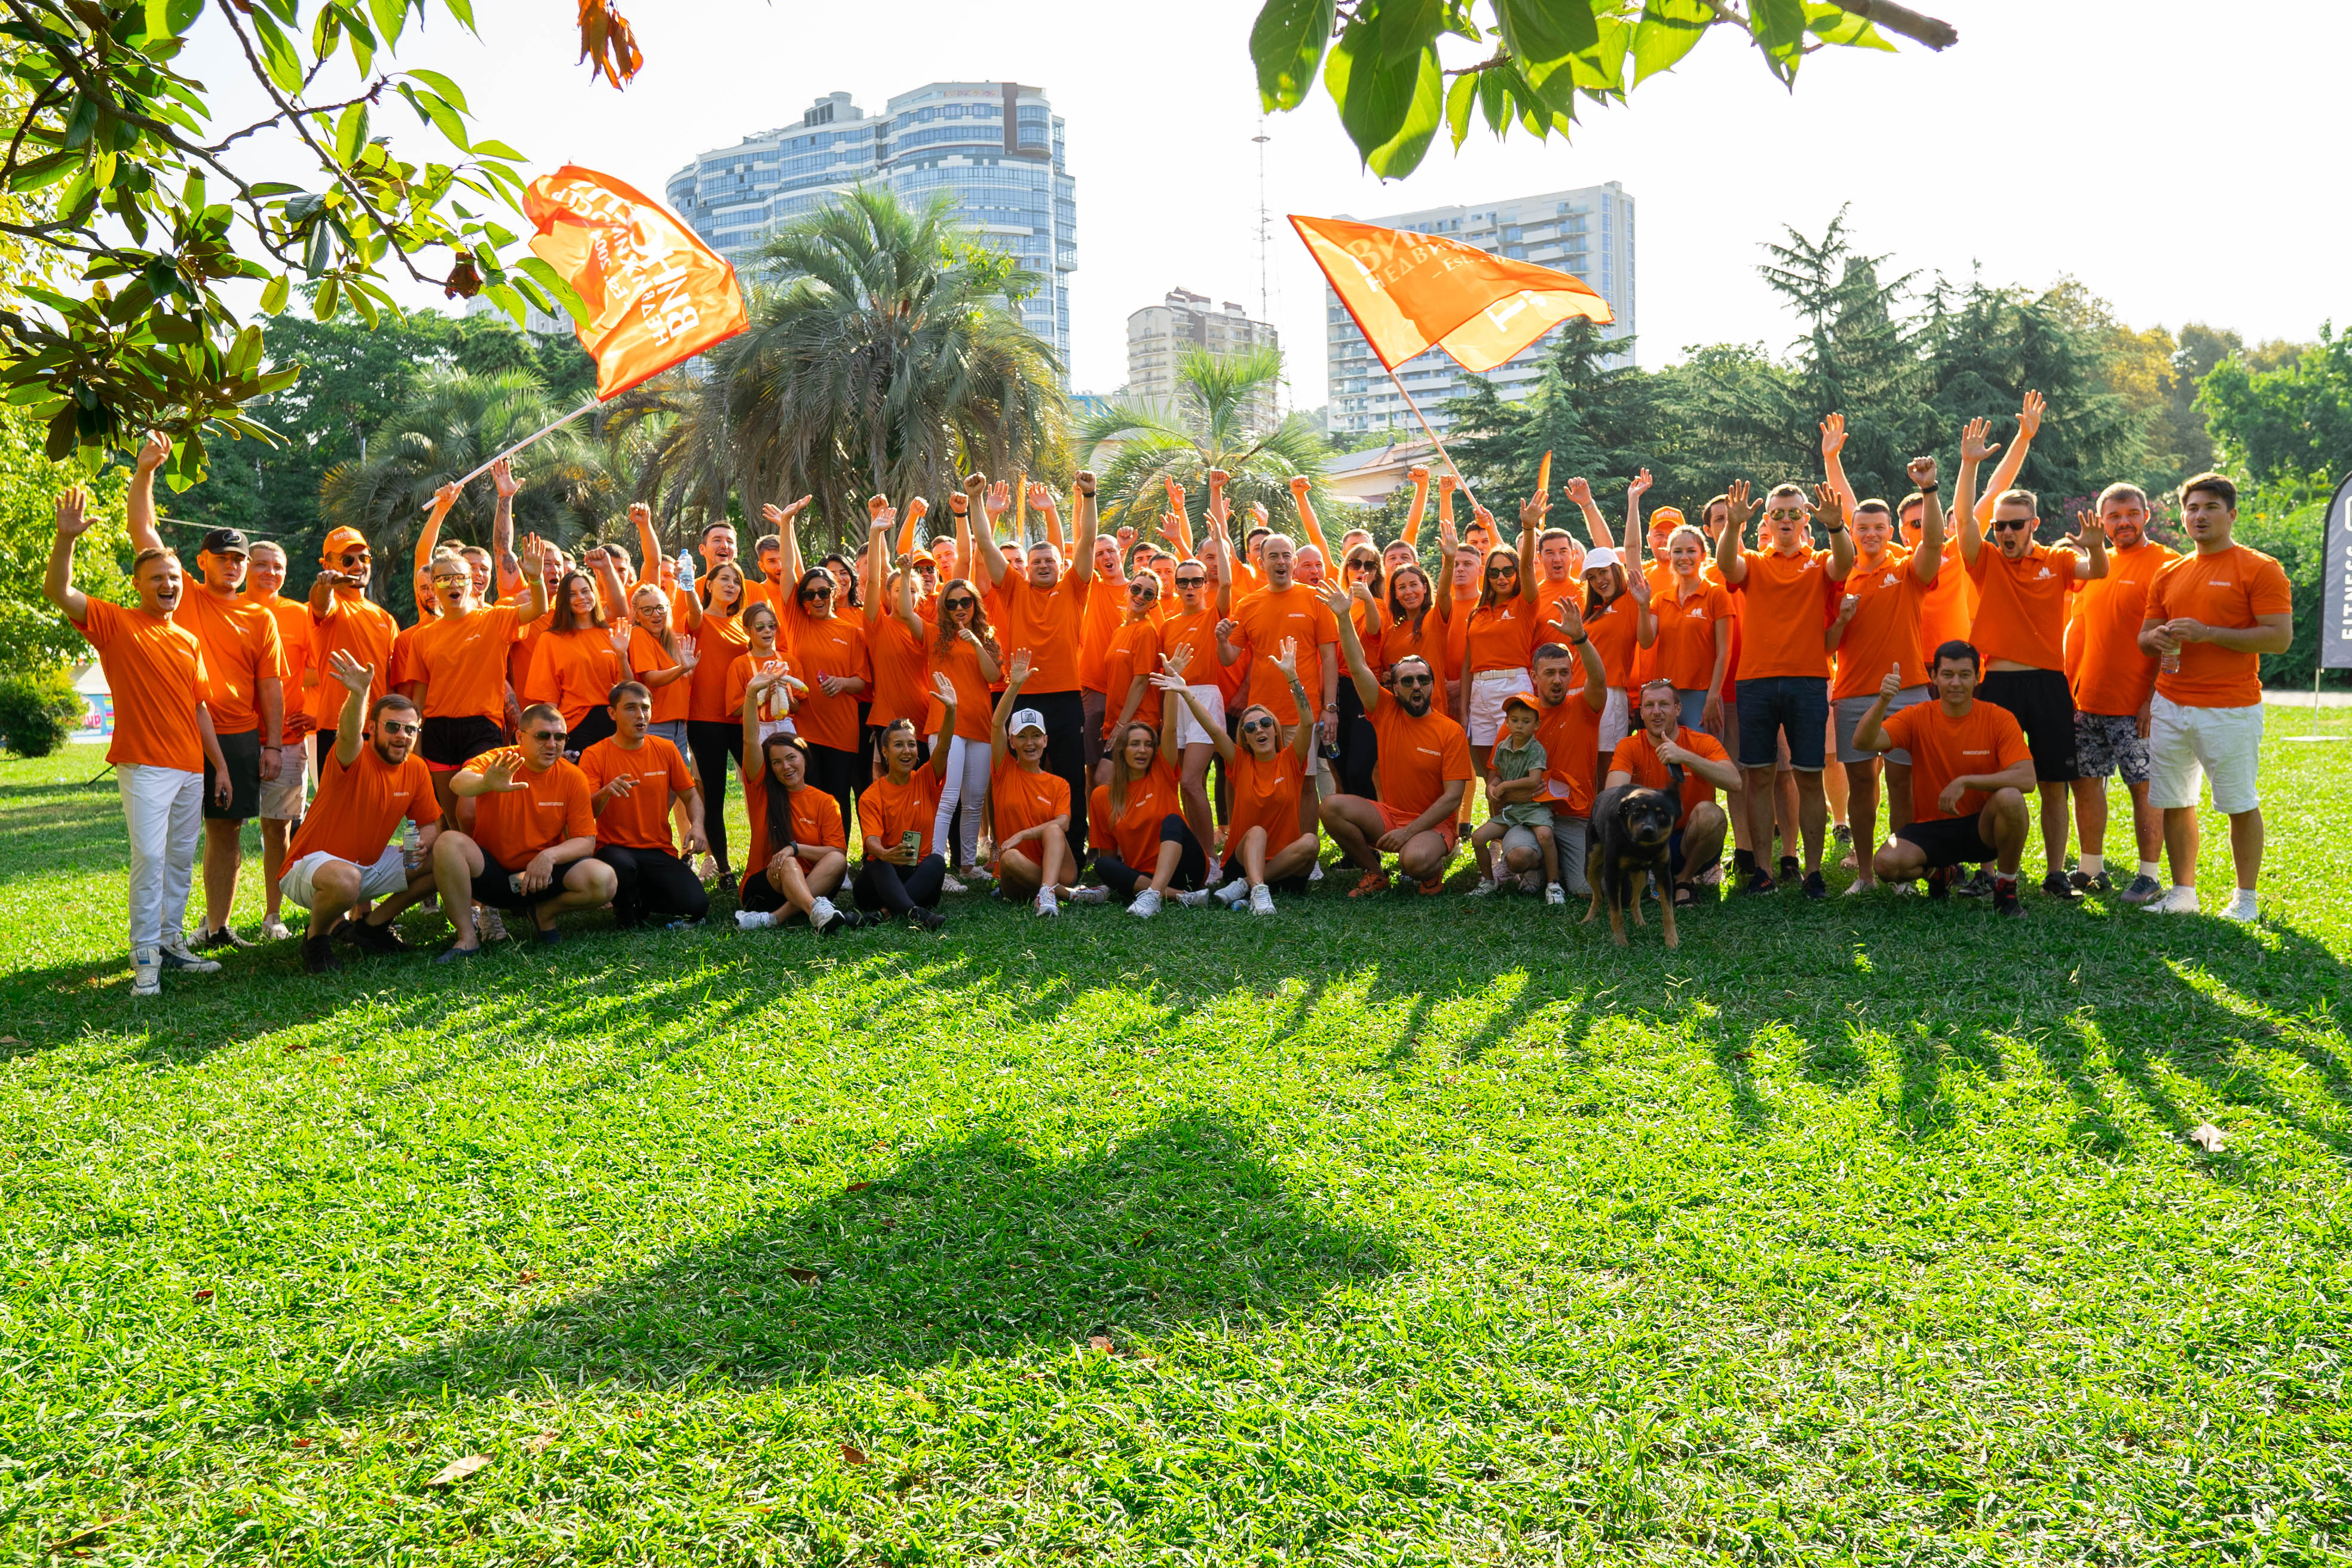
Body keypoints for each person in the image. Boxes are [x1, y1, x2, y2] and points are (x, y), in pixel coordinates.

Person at [45, 488, 230, 995]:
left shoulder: (189, 640)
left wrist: (219, 766)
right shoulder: (115, 622)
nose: (168, 585)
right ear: (138, 584)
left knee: (178, 861)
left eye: (174, 578)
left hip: (191, 768)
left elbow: (200, 707)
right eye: (157, 578)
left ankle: (172, 943)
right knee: (149, 858)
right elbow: (59, 591)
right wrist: (66, 540)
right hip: (144, 766)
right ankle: (145, 955)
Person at [125, 433, 287, 951]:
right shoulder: (182, 593)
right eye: (222, 557)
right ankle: (161, 935)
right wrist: (146, 472)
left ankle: (216, 928)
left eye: (239, 558)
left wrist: (273, 745)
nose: (233, 565)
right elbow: (144, 533)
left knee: (226, 832)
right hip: (176, 731)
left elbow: (270, 686)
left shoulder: (260, 617)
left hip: (237, 736)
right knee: (163, 839)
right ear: (202, 561)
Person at [1956, 414, 2106, 900]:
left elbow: (2096, 571)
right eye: (1999, 525)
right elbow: (1963, 520)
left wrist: (2096, 547)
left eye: (2015, 525)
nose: (2005, 532)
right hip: (1998, 683)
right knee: (1989, 780)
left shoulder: (2056, 560)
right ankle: (1986, 872)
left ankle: (2055, 873)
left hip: (2048, 684)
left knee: (2053, 782)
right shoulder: (1986, 561)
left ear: (2034, 525)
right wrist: (1969, 466)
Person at [2136, 471, 2293, 921]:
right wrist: (2158, 638)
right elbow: (2144, 639)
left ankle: (2246, 900)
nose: (2199, 516)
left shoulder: (2260, 568)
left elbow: (2279, 638)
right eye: (2192, 508)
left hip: (2231, 707)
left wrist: (2208, 633)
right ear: (2183, 516)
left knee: (2238, 803)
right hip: (2170, 704)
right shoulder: (2170, 572)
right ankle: (2183, 894)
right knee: (2174, 800)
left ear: (2232, 514)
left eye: (2210, 507)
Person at [1714, 477, 1855, 898]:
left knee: (1809, 777)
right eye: (1778, 513)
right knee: (1759, 777)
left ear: (1805, 519)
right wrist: (1733, 525)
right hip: (1755, 682)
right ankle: (1763, 872)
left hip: (1808, 680)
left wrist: (1836, 525)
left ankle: (1813, 873)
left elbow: (1844, 564)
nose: (1787, 519)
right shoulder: (1754, 563)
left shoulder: (1819, 561)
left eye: (1795, 513)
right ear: (1768, 520)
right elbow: (1727, 566)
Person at [1823, 454, 1945, 894]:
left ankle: (1902, 873)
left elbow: (1934, 544)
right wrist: (1842, 618)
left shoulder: (1905, 569)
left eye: (1878, 528)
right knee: (1861, 786)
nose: (1870, 535)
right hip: (1853, 695)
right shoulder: (1839, 576)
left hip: (1908, 692)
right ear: (1852, 532)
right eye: (1862, 528)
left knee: (1902, 784)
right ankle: (1865, 875)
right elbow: (1826, 647)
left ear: (1890, 532)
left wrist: (1929, 490)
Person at [278, 651, 442, 972]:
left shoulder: (416, 768)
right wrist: (359, 694)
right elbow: (348, 734)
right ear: (373, 728)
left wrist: (424, 841)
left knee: (448, 859)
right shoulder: (353, 757)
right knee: (347, 880)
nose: (402, 735)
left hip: (367, 869)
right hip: (309, 868)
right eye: (393, 727)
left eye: (410, 730)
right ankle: (316, 938)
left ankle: (373, 927)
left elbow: (430, 824)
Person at [1853, 642, 2035, 916]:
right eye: (1948, 675)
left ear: (1978, 677)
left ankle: (2006, 888)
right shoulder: (1918, 716)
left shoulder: (1999, 718)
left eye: (1964, 675)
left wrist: (1966, 782)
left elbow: (2027, 779)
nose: (1956, 683)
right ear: (1934, 678)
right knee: (1886, 864)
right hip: (1931, 827)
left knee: (2011, 798)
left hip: (1982, 827)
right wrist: (1883, 701)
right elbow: (1863, 742)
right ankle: (1939, 873)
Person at [970, 471, 1100, 854]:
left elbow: (1088, 541)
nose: (1043, 566)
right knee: (1017, 775)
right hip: (1023, 696)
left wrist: (1089, 496)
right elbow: (986, 544)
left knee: (1070, 775)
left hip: (1066, 697)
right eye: (1036, 561)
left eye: (1049, 561)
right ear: (1026, 568)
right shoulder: (1013, 589)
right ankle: (1016, 850)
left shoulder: (1074, 587)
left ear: (1061, 564)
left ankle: (1072, 852)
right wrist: (976, 500)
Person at [1318, 584, 1474, 896]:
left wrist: (1409, 832)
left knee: (1413, 862)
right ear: (1395, 686)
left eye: (1423, 680)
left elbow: (1452, 798)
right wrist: (1344, 618)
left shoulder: (1450, 730)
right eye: (1407, 680)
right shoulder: (1385, 710)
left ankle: (1431, 868)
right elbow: (1358, 666)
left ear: (1432, 685)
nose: (1416, 686)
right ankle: (1375, 873)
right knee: (1331, 807)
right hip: (1391, 816)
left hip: (1434, 825)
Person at [2063, 482, 2177, 902]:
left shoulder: (2167, 564)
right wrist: (2068, 690)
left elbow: (2173, 641)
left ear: (2147, 515)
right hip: (2088, 701)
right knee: (2085, 783)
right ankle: (2091, 868)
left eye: (2131, 513)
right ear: (2102, 522)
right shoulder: (2095, 566)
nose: (2123, 522)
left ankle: (2149, 876)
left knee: (2144, 788)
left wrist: (2152, 698)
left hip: (2136, 705)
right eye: (2114, 516)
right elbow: (2079, 632)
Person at [433, 706, 618, 958]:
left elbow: (586, 841)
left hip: (542, 878)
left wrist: (548, 857)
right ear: (520, 737)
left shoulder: (573, 777)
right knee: (448, 842)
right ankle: (467, 938)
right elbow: (458, 783)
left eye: (560, 737)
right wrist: (486, 783)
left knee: (605, 880)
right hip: (492, 875)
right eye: (543, 736)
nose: (552, 744)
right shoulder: (500, 760)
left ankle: (544, 913)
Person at [407, 514, 552, 822]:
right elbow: (419, 700)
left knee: (472, 811)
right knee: (451, 819)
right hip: (437, 732)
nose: (453, 584)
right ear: (433, 587)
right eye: (444, 579)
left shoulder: (494, 619)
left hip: (482, 728)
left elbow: (539, 609)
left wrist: (536, 578)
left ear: (471, 582)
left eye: (460, 577)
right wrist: (416, 747)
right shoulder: (422, 637)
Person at [1161, 647, 1319, 915]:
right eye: (1250, 727)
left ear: (1275, 729)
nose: (1259, 730)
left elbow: (1307, 723)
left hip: (1286, 865)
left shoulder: (1291, 760)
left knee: (1311, 842)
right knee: (1257, 832)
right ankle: (1258, 890)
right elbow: (1213, 729)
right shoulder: (1240, 763)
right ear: (1244, 737)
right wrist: (1186, 693)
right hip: (1241, 861)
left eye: (1265, 723)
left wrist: (1292, 677)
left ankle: (1246, 886)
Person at [766, 495, 870, 837]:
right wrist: (787, 524)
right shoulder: (798, 622)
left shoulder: (852, 632)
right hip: (806, 729)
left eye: (823, 592)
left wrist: (842, 683)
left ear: (835, 591)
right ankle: (811, 855)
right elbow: (790, 571)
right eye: (810, 595)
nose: (817, 599)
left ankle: (838, 856)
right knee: (808, 796)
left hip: (842, 730)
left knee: (838, 798)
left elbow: (862, 682)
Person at [1089, 648, 1215, 917]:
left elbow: (1169, 728)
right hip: (1143, 875)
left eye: (1148, 745)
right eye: (1134, 744)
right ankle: (1180, 897)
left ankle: (1154, 895)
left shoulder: (1162, 773)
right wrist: (1116, 877)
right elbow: (1109, 854)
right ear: (1122, 751)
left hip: (1187, 869)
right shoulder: (1102, 796)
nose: (1142, 750)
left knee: (1173, 821)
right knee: (1102, 866)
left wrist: (1172, 683)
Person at [580, 681, 709, 930]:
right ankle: (626, 913)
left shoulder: (666, 749)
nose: (640, 715)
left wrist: (697, 826)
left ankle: (639, 898)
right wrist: (605, 792)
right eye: (630, 708)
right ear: (612, 713)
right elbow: (588, 813)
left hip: (658, 849)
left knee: (697, 906)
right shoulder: (595, 754)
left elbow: (691, 796)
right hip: (614, 849)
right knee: (623, 866)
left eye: (645, 708)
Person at [1604, 679, 1741, 909]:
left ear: (1678, 709)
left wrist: (1684, 756)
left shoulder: (1701, 742)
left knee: (1712, 814)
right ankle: (1648, 874)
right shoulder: (1630, 746)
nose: (1656, 712)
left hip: (1690, 841)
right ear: (1641, 712)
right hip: (1647, 839)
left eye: (1664, 705)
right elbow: (1611, 797)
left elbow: (1735, 782)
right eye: (1649, 705)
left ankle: (1684, 880)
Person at [734, 672, 853, 934]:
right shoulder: (762, 792)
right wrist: (752, 694)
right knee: (788, 864)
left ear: (804, 758)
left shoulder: (825, 801)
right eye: (776, 762)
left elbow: (836, 851)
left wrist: (795, 848)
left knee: (837, 860)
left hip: (814, 882)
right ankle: (813, 909)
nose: (785, 767)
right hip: (765, 886)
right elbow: (750, 740)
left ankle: (775, 918)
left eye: (791, 758)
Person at [243, 538, 318, 941]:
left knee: (277, 830)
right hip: (233, 737)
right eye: (262, 565)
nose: (270, 572)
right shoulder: (226, 607)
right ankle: (216, 921)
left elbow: (322, 668)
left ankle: (273, 915)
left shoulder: (300, 615)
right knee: (224, 831)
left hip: (287, 740)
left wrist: (317, 713)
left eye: (278, 567)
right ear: (246, 567)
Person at [855, 680, 964, 930]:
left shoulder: (926, 779)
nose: (907, 751)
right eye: (899, 745)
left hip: (918, 879)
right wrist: (885, 854)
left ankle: (885, 914)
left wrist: (951, 711)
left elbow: (944, 747)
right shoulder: (872, 795)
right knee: (879, 863)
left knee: (936, 861)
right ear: (885, 752)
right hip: (880, 883)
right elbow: (872, 841)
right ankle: (911, 911)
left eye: (912, 744)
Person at [917, 570, 1002, 890]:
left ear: (975, 604)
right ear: (944, 609)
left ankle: (968, 866)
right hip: (946, 725)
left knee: (975, 800)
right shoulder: (934, 634)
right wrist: (907, 571)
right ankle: (935, 868)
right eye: (951, 604)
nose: (959, 608)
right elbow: (905, 614)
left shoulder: (988, 637)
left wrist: (977, 642)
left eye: (965, 602)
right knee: (948, 798)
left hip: (980, 726)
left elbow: (993, 677)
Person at [990, 650, 1085, 915]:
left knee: (1054, 829)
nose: (1029, 743)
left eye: (1035, 736)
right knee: (1009, 857)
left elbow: (1063, 824)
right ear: (1012, 742)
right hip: (1016, 872)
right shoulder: (1004, 771)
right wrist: (1015, 685)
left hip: (1059, 868)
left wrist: (1023, 834)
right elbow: (997, 725)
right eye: (1022, 737)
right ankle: (1064, 894)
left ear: (1046, 740)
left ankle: (1047, 892)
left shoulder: (1058, 784)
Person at [681, 557, 751, 890]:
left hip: (741, 717)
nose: (731, 585)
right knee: (715, 793)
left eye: (736, 581)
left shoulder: (742, 625)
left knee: (760, 785)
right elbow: (694, 611)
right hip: (705, 719)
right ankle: (724, 869)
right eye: (724, 579)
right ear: (708, 585)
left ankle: (766, 858)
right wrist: (687, 582)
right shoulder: (698, 620)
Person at [1526, 632, 1612, 898]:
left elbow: (1598, 679)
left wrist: (1581, 638)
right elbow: (1496, 778)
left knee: (1587, 890)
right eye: (1549, 673)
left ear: (1572, 675)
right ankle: (1535, 861)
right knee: (1519, 858)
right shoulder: (1520, 718)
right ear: (1534, 677)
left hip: (1577, 819)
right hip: (1533, 816)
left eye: (1564, 673)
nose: (1557, 680)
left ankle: (1564, 862)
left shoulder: (1585, 707)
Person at [1469, 693, 1561, 902]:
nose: (1520, 726)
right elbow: (1497, 774)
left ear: (1536, 725)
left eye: (1526, 722)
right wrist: (1493, 786)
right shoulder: (1502, 747)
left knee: (1545, 836)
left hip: (1534, 808)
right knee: (1478, 838)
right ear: (1507, 722)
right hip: (1511, 811)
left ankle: (1554, 884)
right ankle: (1488, 881)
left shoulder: (1536, 750)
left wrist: (1504, 786)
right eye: (1515, 720)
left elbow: (1534, 780)